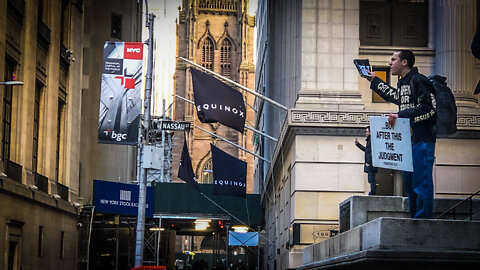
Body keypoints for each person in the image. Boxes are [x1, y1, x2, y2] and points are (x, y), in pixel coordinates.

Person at [363, 50, 436, 219]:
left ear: (404, 62)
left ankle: (423, 223)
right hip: (407, 141)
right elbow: (397, 97)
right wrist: (374, 80)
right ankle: (414, 221)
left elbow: (430, 109)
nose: (389, 63)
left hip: (422, 140)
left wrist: (401, 115)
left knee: (420, 183)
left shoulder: (419, 81)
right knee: (409, 185)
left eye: (393, 59)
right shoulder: (404, 83)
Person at [355, 126, 378, 195]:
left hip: (371, 163)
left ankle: (372, 192)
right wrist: (358, 144)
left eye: (366, 131)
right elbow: (366, 150)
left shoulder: (372, 141)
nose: (365, 133)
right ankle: (372, 191)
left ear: (370, 132)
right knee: (370, 178)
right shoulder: (369, 141)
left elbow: (372, 152)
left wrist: (369, 162)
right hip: (371, 163)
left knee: (371, 178)